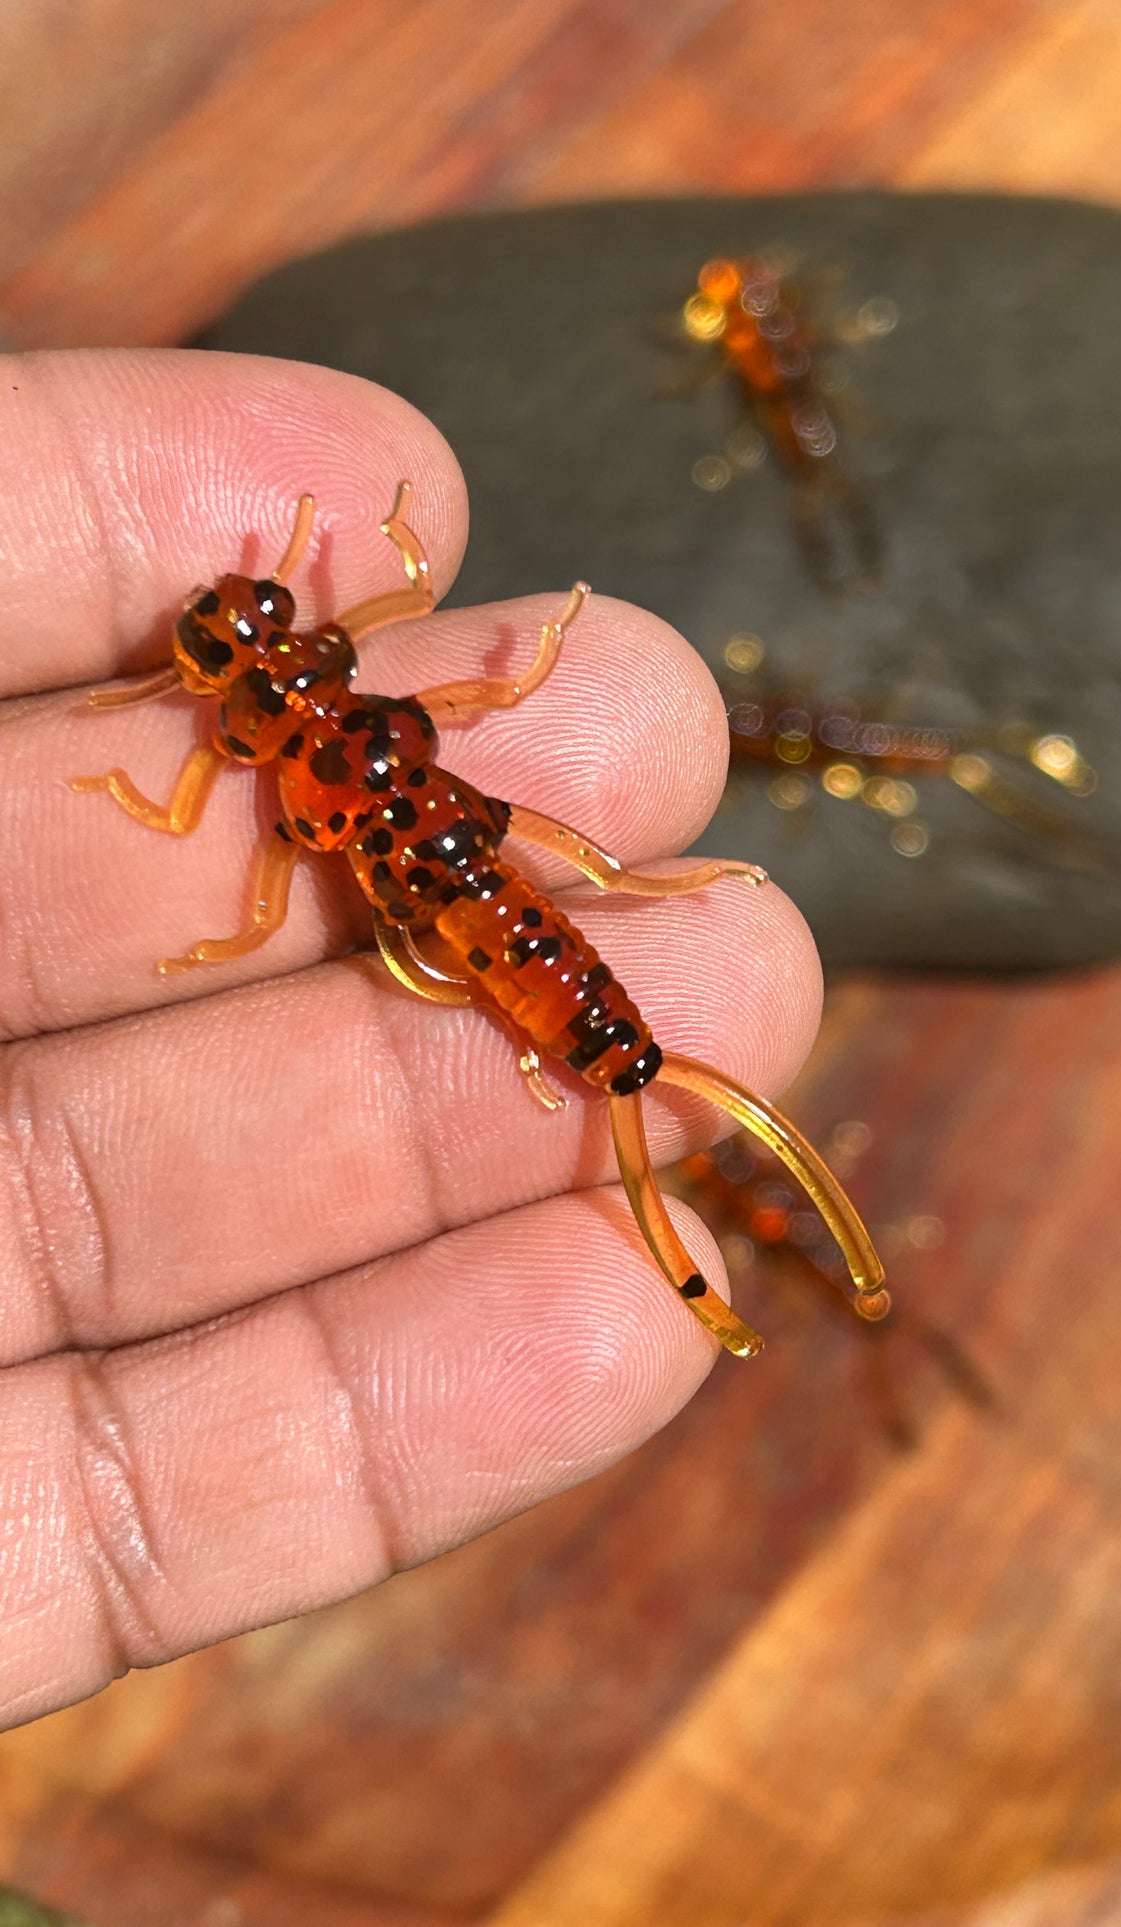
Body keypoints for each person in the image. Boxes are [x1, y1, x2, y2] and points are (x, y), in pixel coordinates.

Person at [0, 348, 821, 1731]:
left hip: (462, 902)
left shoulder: (288, 742)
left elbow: (339, 772)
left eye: (254, 618)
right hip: (471, 900)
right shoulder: (322, 729)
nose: (239, 628)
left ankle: (687, 1228)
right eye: (234, 636)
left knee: (597, 931)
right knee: (589, 945)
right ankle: (685, 1215)